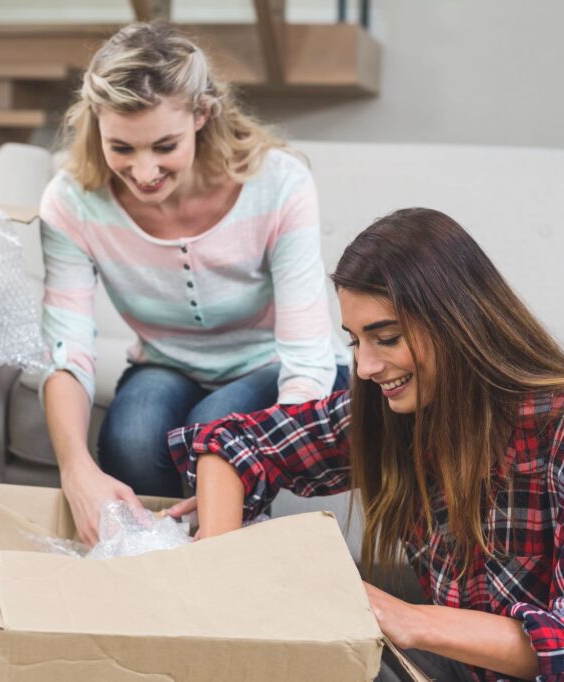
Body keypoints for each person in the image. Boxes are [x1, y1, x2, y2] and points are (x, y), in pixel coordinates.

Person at [166, 208, 564, 681]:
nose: (364, 367)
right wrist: (218, 561)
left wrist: (409, 619)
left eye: (386, 338)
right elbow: (234, 441)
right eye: (354, 340)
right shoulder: (393, 408)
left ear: (457, 322)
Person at [39, 22, 347, 545]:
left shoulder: (278, 183)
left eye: (164, 145)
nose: (144, 171)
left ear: (202, 115)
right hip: (166, 362)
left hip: (276, 363)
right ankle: (164, 556)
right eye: (122, 148)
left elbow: (306, 352)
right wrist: (76, 471)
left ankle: (220, 556)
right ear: (97, 123)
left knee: (214, 431)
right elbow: (68, 351)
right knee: (132, 439)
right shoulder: (70, 202)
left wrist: (253, 455)